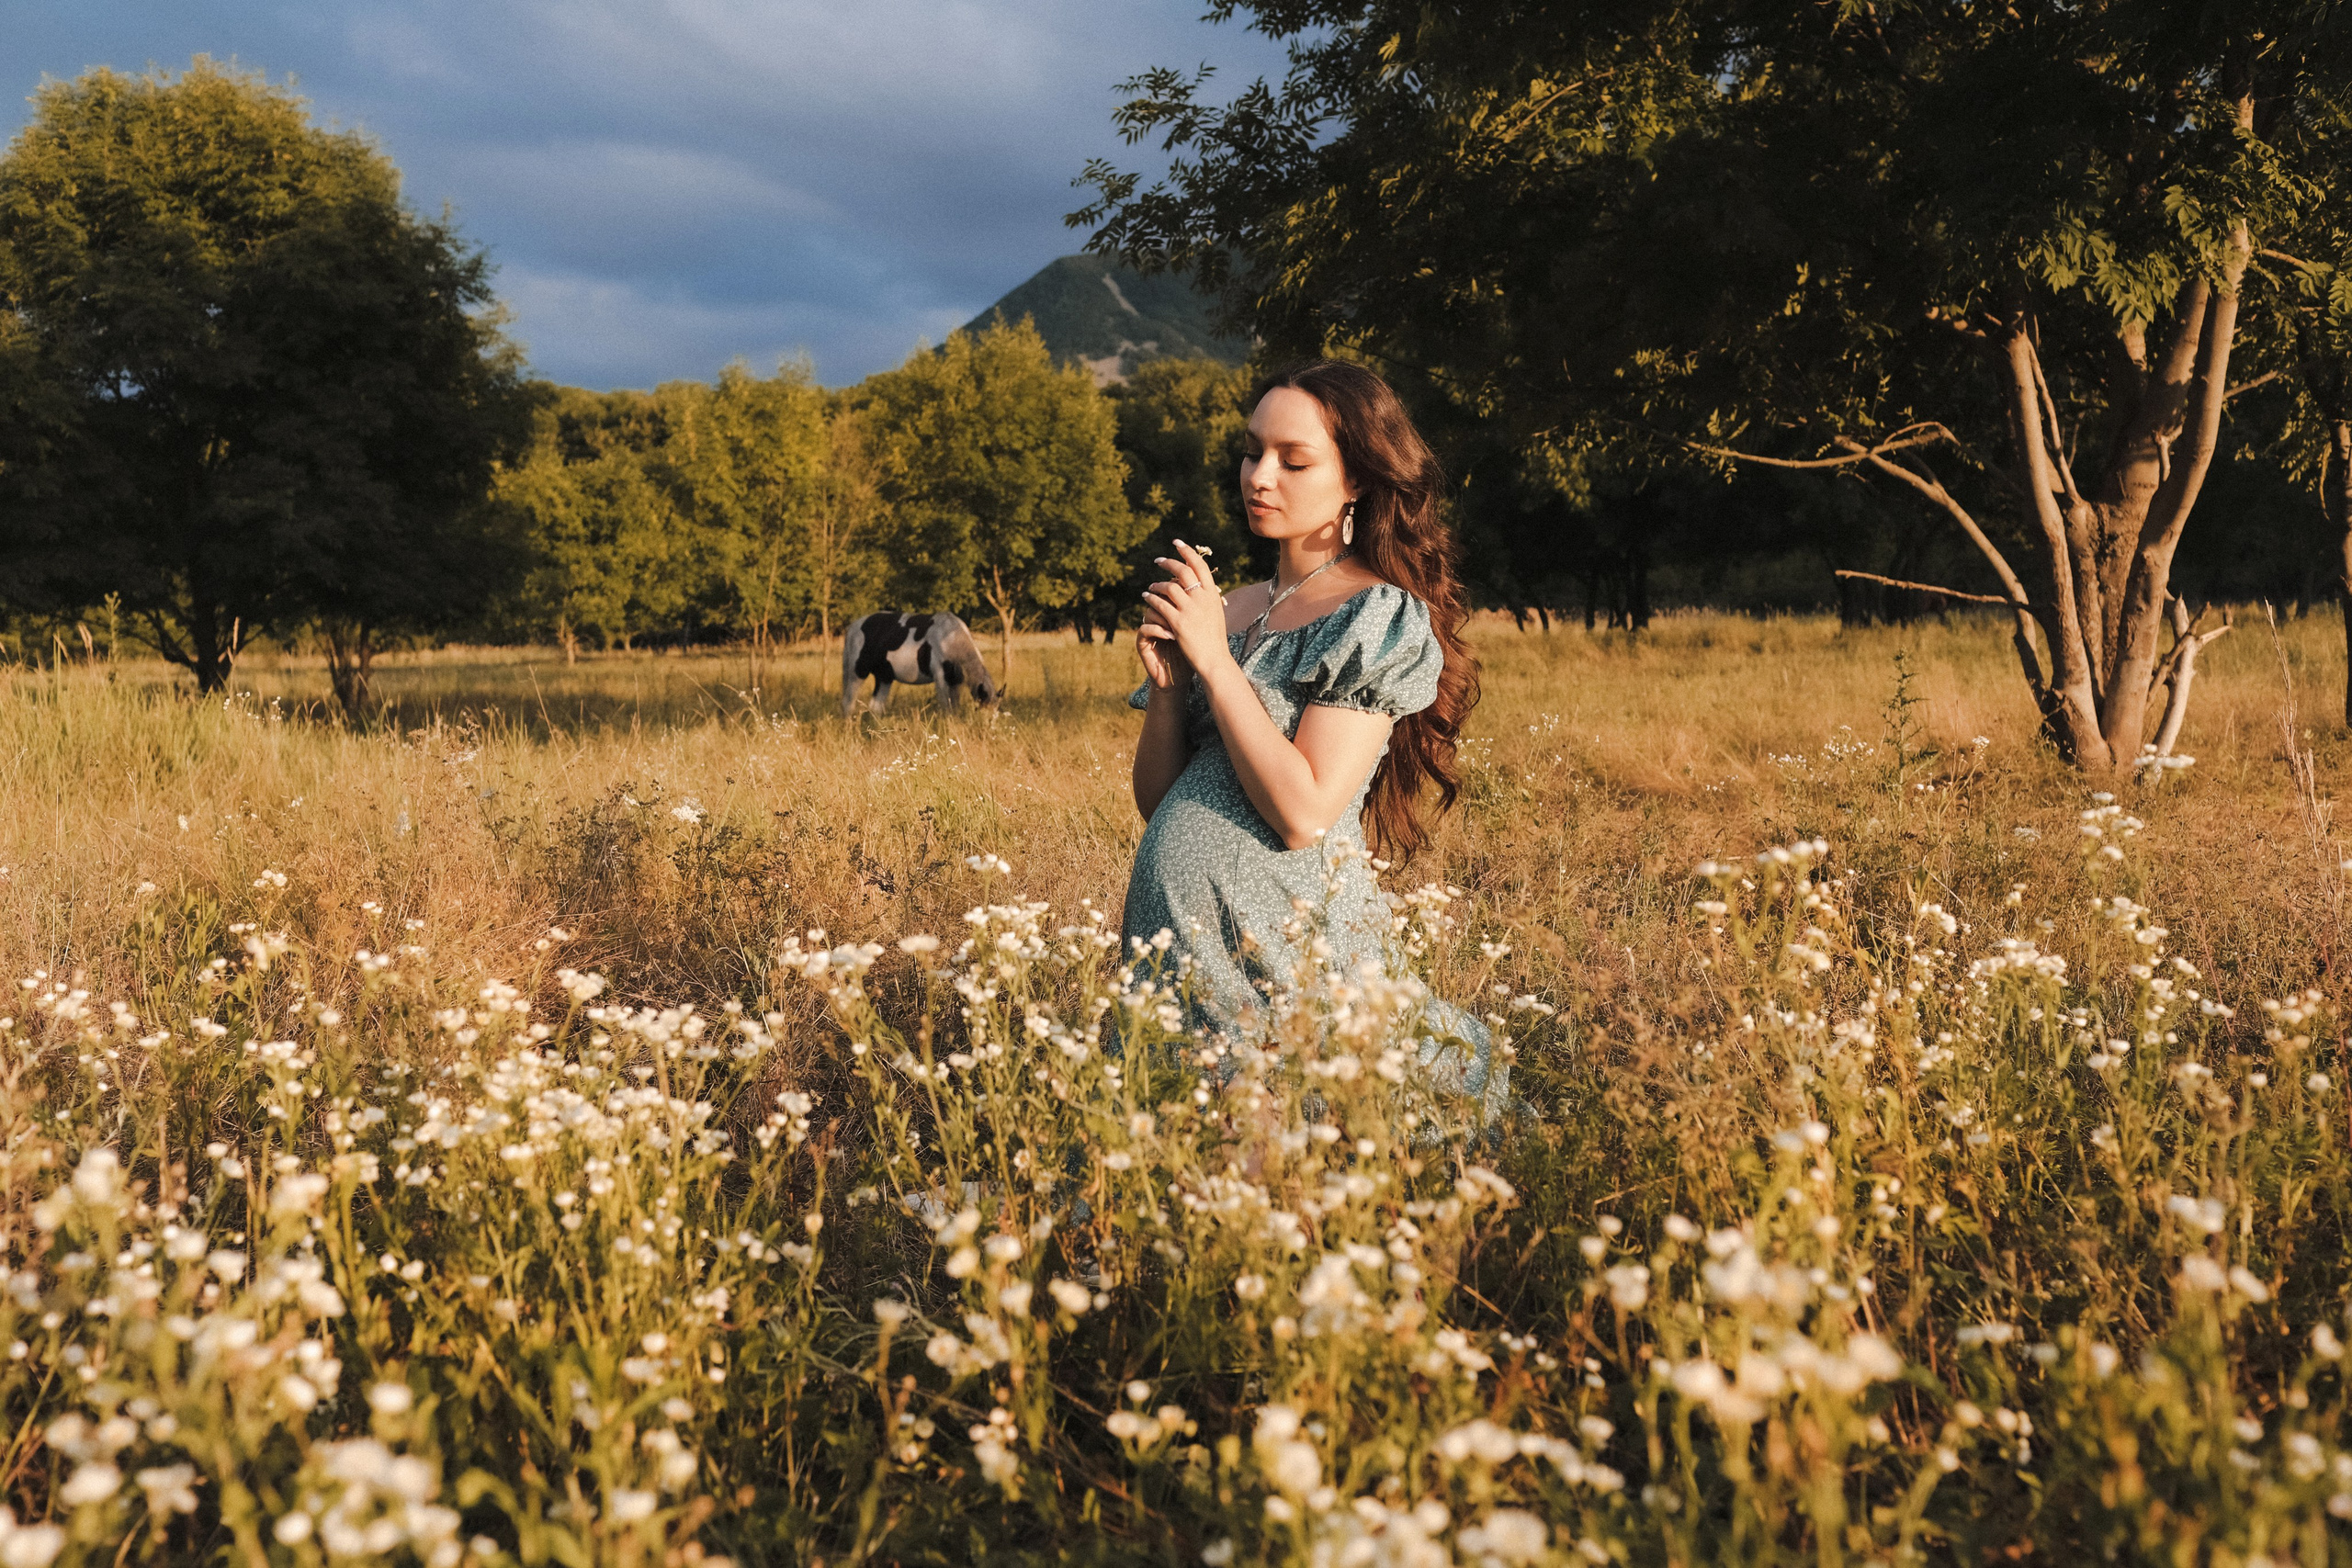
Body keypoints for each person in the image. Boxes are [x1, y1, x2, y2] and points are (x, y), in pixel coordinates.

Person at [1121, 360, 1504, 1118]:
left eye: (1294, 461)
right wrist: (1169, 686)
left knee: (1290, 1149)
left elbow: (1305, 813)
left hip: (1287, 943)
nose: (1260, 476)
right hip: (1176, 945)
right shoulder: (1227, 608)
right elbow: (1161, 801)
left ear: (1357, 478)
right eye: (1252, 451)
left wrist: (1214, 662)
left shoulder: (1374, 613)